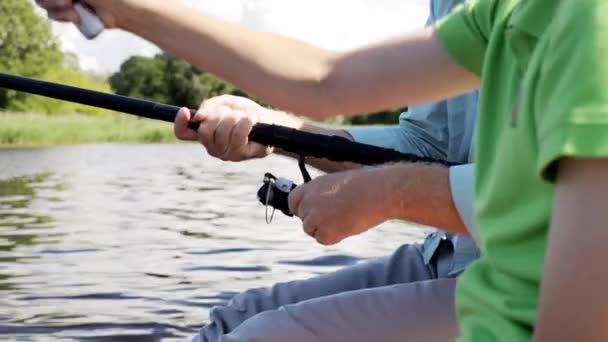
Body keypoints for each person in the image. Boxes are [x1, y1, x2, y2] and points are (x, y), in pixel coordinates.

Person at [45, 0, 608, 341]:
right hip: (475, 271)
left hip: (506, 291)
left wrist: (392, 191)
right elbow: (324, 80)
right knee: (235, 320)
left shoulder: (587, 24)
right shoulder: (504, 12)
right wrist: (124, 10)